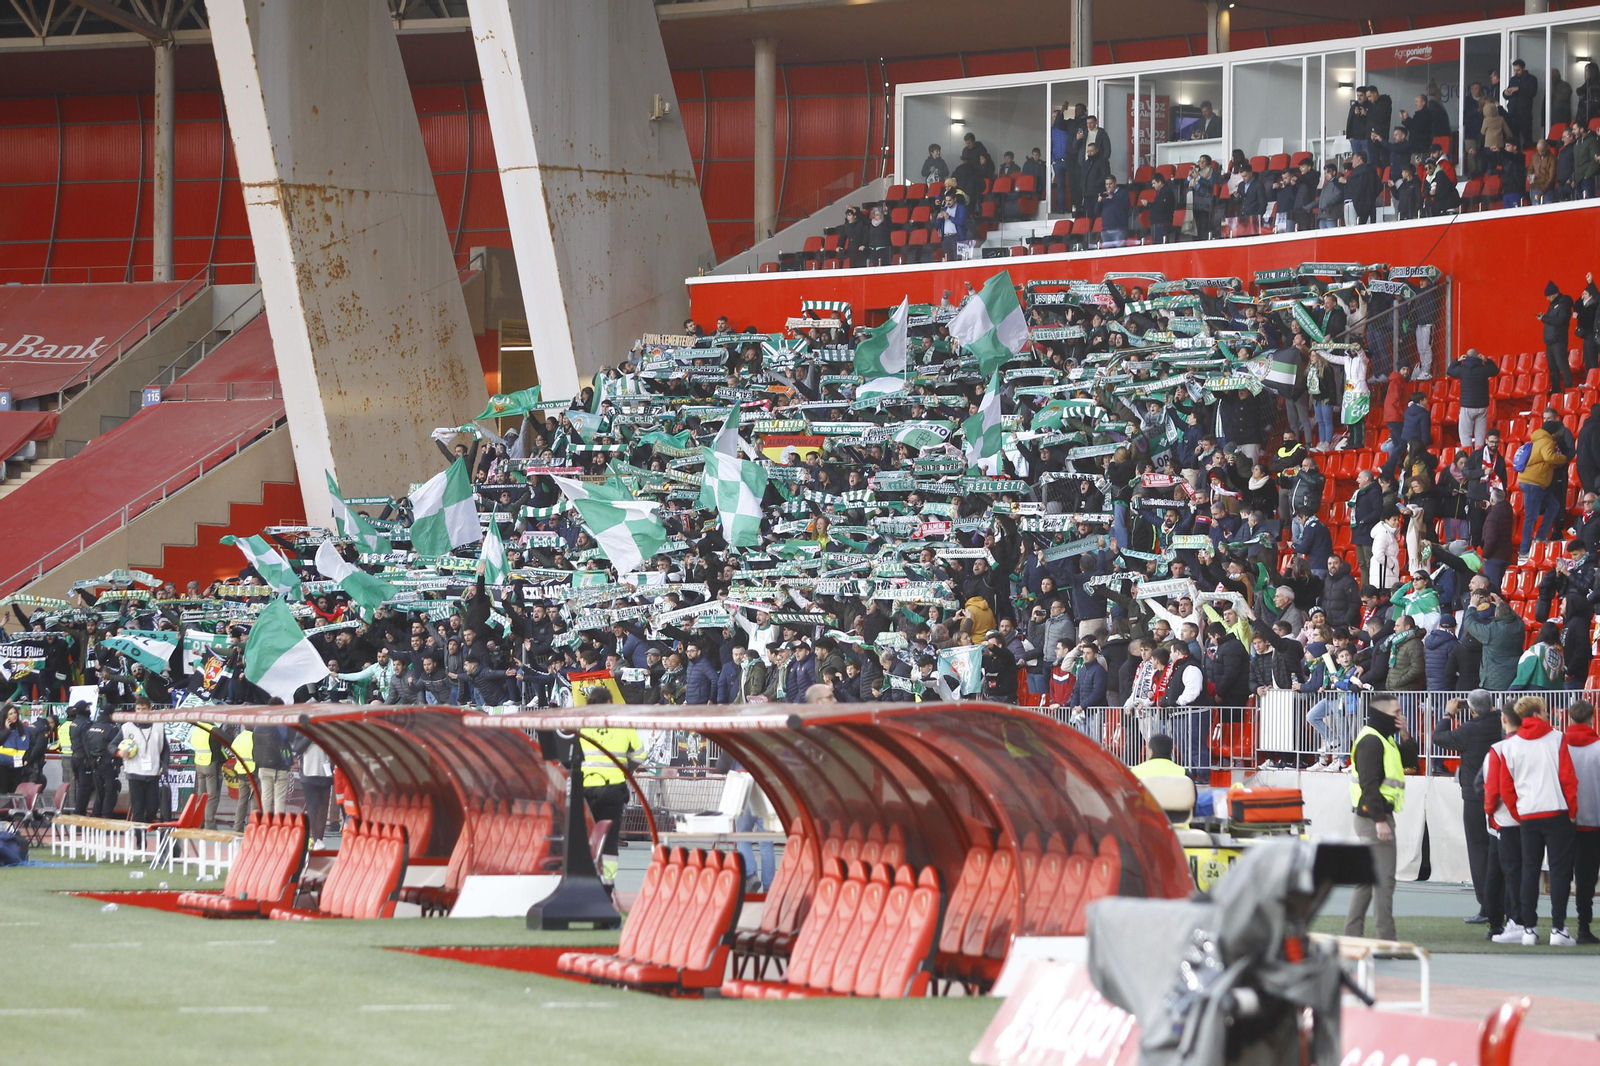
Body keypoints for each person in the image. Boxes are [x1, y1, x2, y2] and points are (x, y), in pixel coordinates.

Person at [1486, 695, 1579, 946]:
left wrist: (1519, 813)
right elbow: (1568, 778)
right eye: (1545, 711)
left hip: (1528, 815)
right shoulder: (1557, 738)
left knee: (1529, 871)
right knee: (1560, 873)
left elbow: (1506, 788)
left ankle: (1529, 928)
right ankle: (1558, 929)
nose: (1548, 714)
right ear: (1537, 713)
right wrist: (1572, 810)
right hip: (1557, 811)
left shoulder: (1511, 746)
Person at [1345, 693, 1419, 941]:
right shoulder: (1373, 741)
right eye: (1397, 712)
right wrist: (1379, 820)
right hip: (1374, 817)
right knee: (1384, 881)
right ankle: (1386, 940)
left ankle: (1352, 934)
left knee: (1367, 881)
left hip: (1371, 816)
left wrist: (1405, 733)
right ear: (1383, 714)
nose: (1400, 716)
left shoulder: (1381, 738)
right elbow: (1369, 784)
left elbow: (1410, 761)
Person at [1434, 690, 1506, 924]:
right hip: (1503, 796)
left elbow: (1439, 738)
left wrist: (1448, 714)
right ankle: (1508, 904)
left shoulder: (1469, 730)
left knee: (1478, 851)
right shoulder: (1502, 724)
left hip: (1475, 797)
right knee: (1503, 851)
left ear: (1471, 710)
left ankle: (1487, 906)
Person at [576, 686, 643, 883]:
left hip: (586, 787)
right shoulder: (623, 725)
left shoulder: (581, 724)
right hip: (614, 788)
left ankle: (585, 879)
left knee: (584, 835)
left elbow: (571, 755)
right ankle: (608, 883)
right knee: (610, 839)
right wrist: (625, 770)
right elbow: (640, 754)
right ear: (609, 703)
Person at [1564, 699, 1600, 943]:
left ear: (1570, 718)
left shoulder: (1559, 746)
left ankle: (1555, 926)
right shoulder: (1598, 748)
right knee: (1587, 878)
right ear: (1591, 718)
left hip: (1563, 820)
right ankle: (1583, 927)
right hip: (1593, 819)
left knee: (1561, 874)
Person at [118, 697, 169, 825]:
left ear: (150, 710)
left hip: (152, 773)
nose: (140, 712)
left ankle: (144, 825)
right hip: (134, 773)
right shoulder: (126, 727)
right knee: (137, 808)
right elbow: (111, 746)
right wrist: (120, 752)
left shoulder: (159, 726)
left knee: (152, 807)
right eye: (138, 709)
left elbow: (165, 749)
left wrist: (164, 766)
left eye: (144, 709)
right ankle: (140, 838)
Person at [1447, 348, 1499, 450]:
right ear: (1478, 357)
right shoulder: (1484, 369)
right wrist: (1486, 360)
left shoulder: (1462, 369)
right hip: (1482, 406)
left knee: (1465, 435)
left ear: (1466, 357)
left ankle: (1468, 457)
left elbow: (1449, 371)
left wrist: (1457, 360)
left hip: (1467, 406)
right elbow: (1495, 370)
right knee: (1480, 436)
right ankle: (1478, 457)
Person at [1540, 280, 1576, 395]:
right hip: (1550, 341)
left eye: (1549, 296)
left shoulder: (1564, 305)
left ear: (1554, 294)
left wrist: (1544, 318)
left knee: (1562, 364)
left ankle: (1568, 386)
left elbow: (1560, 321)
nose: (1547, 299)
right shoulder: (1553, 305)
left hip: (1559, 340)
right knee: (1552, 366)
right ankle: (1556, 388)